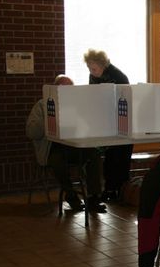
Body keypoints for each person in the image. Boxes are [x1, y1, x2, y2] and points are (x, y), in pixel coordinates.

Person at [26, 75, 106, 213]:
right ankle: (71, 195)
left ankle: (94, 197)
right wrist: (48, 118)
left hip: (73, 145)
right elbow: (32, 132)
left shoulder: (76, 106)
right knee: (58, 161)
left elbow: (87, 127)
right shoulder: (41, 105)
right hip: (51, 148)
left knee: (94, 154)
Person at [84, 49, 133, 201]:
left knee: (120, 158)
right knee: (110, 159)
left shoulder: (118, 76)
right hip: (106, 123)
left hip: (122, 123)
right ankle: (109, 189)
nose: (91, 72)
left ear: (102, 65)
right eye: (89, 69)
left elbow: (124, 100)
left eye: (93, 68)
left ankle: (119, 191)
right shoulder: (94, 76)